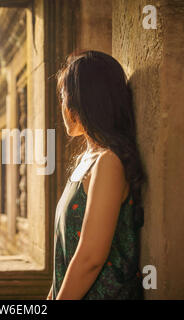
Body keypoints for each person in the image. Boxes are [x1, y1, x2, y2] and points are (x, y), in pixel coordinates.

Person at [47, 50, 145, 300]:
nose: (62, 107)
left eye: (63, 97)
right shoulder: (85, 162)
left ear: (83, 102)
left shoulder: (109, 163)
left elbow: (90, 258)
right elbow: (67, 256)